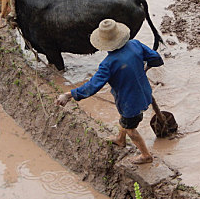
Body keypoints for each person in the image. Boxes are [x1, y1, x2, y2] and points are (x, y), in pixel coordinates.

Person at [56, 19, 164, 164]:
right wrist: (145, 68)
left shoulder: (108, 64)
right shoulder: (135, 45)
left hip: (129, 102)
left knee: (131, 129)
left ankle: (146, 155)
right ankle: (120, 139)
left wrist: (69, 95)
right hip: (144, 92)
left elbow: (92, 86)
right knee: (125, 120)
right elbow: (156, 58)